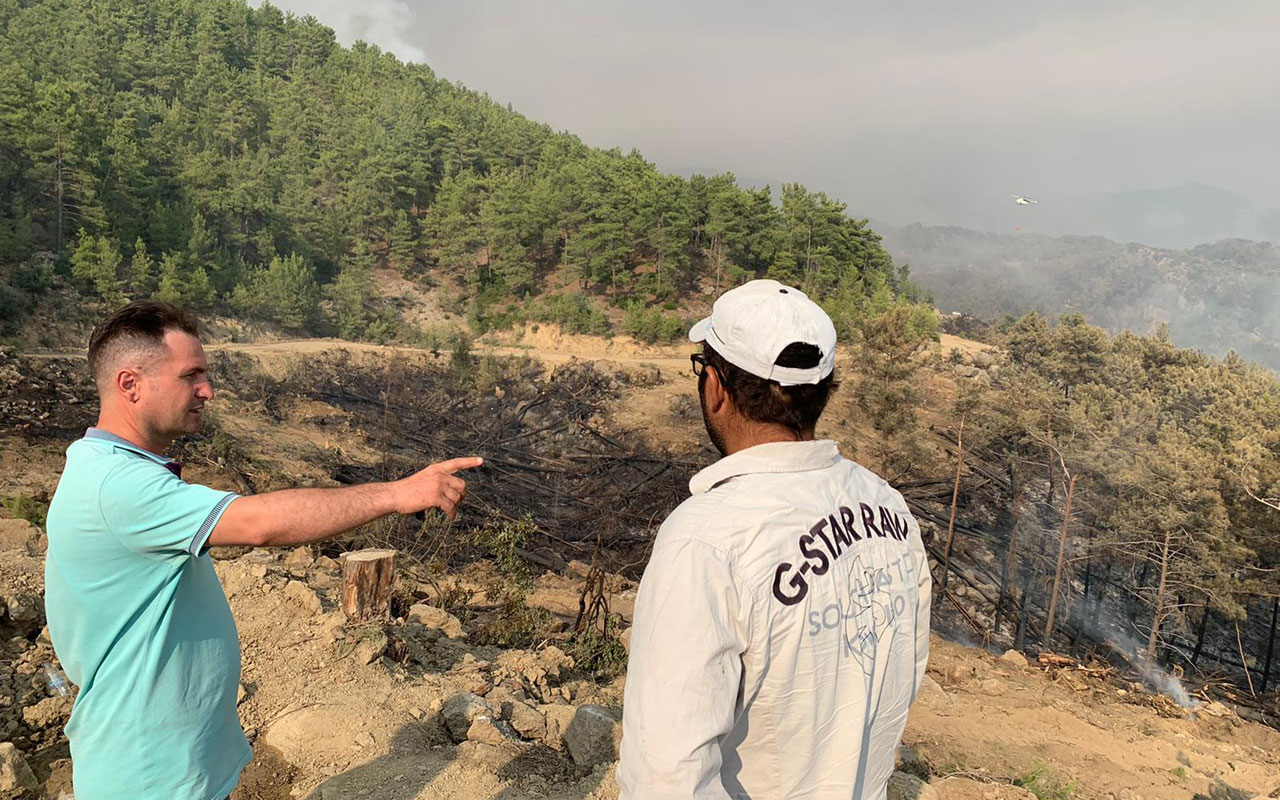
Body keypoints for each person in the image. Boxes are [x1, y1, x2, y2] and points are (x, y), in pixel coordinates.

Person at [44, 301, 482, 800]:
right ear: (130, 385)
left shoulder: (107, 468)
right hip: (148, 774)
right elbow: (260, 524)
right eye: (191, 376)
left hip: (172, 762)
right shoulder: (116, 486)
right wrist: (397, 494)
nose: (207, 390)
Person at [617, 280, 931, 799]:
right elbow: (901, 677)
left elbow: (663, 777)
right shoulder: (887, 506)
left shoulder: (706, 540)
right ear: (823, 391)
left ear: (715, 387)